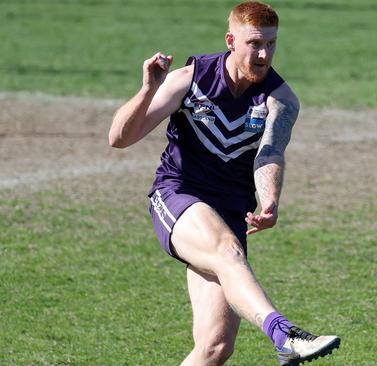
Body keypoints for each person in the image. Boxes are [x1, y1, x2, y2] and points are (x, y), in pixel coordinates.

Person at [108, 2, 340, 365]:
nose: (264, 54)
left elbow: (270, 152)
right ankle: (285, 335)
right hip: (178, 195)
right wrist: (148, 90)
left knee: (215, 346)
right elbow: (119, 138)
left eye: (271, 44)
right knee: (228, 250)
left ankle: (283, 338)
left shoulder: (281, 99)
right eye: (255, 44)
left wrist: (270, 201)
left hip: (230, 210)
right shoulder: (191, 79)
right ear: (231, 40)